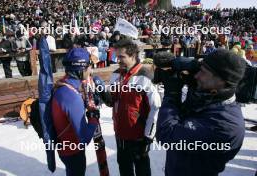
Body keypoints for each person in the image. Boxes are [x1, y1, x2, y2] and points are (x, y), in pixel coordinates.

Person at [155, 49, 247, 176]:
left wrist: (172, 94)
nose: (196, 76)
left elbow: (167, 134)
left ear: (222, 81)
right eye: (199, 70)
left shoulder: (225, 125)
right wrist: (178, 65)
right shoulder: (210, 95)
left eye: (203, 72)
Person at [94, 39, 161, 176]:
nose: (118, 60)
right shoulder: (116, 74)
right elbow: (112, 101)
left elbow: (156, 107)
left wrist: (148, 137)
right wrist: (103, 92)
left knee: (142, 170)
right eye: (117, 57)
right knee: (124, 169)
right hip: (120, 134)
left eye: (122, 57)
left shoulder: (145, 75)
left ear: (133, 56)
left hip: (138, 137)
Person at [51, 48, 99, 176]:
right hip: (73, 152)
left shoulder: (63, 84)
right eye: (89, 66)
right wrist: (94, 118)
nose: (91, 70)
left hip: (64, 147)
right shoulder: (72, 97)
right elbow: (84, 138)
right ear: (81, 68)